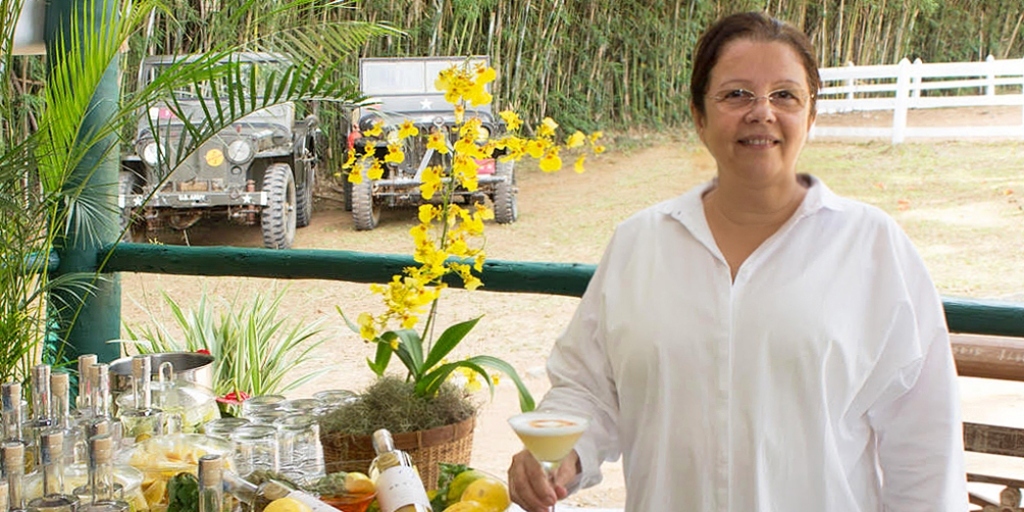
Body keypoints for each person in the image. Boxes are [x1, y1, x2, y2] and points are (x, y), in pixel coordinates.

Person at [507, 11, 968, 512]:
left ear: (810, 116)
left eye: (785, 95)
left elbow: (925, 445)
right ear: (699, 116)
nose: (761, 112)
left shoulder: (872, 248)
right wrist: (559, 452)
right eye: (736, 94)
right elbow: (588, 389)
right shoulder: (639, 244)